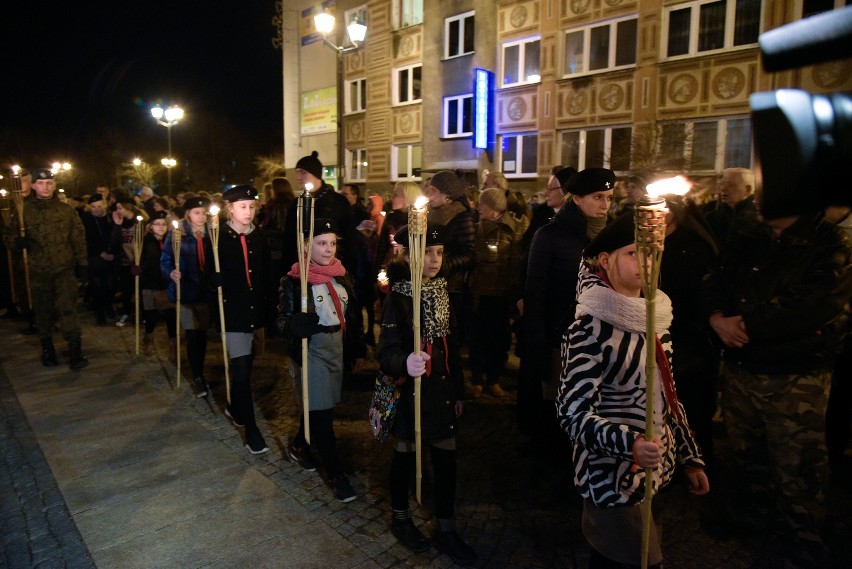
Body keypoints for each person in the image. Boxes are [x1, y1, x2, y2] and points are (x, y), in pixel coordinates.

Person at [702, 199, 852, 566]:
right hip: (742, 367)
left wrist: (745, 324)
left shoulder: (829, 243)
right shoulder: (751, 236)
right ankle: (753, 519)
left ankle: (804, 539)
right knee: (744, 450)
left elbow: (813, 305)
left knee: (798, 463)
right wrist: (717, 317)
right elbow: (715, 279)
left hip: (795, 375)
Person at [557, 214, 709, 568]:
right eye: (632, 253)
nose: (647, 262)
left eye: (653, 253)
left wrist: (689, 456)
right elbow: (572, 414)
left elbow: (668, 397)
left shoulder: (655, 320)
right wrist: (631, 444)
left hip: (654, 475)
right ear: (606, 260)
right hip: (611, 480)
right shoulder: (589, 330)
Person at [377, 224, 477, 566]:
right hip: (409, 392)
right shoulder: (397, 298)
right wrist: (404, 361)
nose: (434, 260)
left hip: (441, 391)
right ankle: (401, 516)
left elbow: (451, 346)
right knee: (404, 454)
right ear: (407, 255)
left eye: (439, 253)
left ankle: (447, 527)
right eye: (426, 252)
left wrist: (459, 389)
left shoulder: (443, 292)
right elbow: (386, 351)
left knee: (446, 457)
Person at [520, 168, 613, 449]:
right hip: (560, 336)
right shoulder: (550, 235)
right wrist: (537, 343)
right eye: (598, 197)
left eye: (609, 198)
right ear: (577, 198)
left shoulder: (612, 236)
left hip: (600, 336)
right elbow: (535, 293)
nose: (605, 205)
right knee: (559, 402)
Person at [277, 218, 366, 502]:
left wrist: (358, 348)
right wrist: (294, 326)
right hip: (311, 349)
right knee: (323, 415)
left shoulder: (342, 275)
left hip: (336, 347)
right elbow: (280, 321)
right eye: (321, 243)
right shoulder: (294, 280)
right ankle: (336, 473)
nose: (328, 250)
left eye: (332, 243)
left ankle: (301, 446)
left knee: (319, 406)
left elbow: (352, 315)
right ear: (306, 246)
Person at [3, 168, 89, 369]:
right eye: (41, 183)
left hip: (64, 269)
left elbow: (78, 238)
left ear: (55, 185)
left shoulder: (66, 210)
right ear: (33, 186)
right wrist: (17, 242)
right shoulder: (23, 210)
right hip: (38, 270)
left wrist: (83, 264)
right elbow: (7, 235)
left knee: (68, 310)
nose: (46, 187)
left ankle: (76, 352)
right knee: (43, 311)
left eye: (49, 183)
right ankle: (48, 349)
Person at [212, 185, 270, 455]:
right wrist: (213, 281)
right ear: (230, 208)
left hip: (254, 312)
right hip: (233, 312)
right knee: (241, 370)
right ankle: (252, 430)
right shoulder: (218, 237)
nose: (248, 212)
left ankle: (236, 406)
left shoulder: (259, 237)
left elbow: (266, 272)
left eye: (252, 206)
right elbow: (208, 274)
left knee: (249, 366)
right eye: (242, 207)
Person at [161, 196, 214, 398]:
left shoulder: (213, 233)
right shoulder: (177, 235)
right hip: (187, 291)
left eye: (204, 212)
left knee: (203, 333)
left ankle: (201, 368)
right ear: (188, 214)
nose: (201, 217)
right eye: (197, 212)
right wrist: (170, 273)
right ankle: (198, 376)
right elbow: (166, 259)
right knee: (193, 334)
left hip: (206, 291)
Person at [468, 188, 517, 398]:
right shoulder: (474, 229)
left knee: (498, 340)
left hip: (501, 295)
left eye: (482, 204)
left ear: (495, 209)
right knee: (477, 337)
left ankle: (494, 379)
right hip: (479, 293)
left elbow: (514, 264)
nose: (478, 207)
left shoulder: (511, 231)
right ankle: (477, 379)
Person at [423, 170, 476, 342]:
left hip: (451, 287)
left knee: (448, 338)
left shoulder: (462, 217)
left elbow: (469, 253)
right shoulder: (428, 214)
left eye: (433, 190)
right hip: (429, 282)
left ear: (447, 195)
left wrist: (444, 266)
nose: (429, 195)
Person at [283, 151, 357, 271]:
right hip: (302, 270)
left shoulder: (338, 202)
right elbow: (289, 240)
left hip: (332, 268)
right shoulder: (297, 203)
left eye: (303, 172)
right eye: (297, 172)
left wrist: (345, 269)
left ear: (315, 174)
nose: (298, 177)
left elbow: (349, 238)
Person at [139, 211, 176, 357]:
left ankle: (173, 344)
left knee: (170, 316)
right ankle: (148, 339)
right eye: (157, 224)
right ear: (151, 226)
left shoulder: (171, 241)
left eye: (163, 224)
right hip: (149, 285)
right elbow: (140, 259)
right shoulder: (145, 242)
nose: (161, 227)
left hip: (167, 285)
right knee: (150, 315)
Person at [80, 194, 116, 325]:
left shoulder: (110, 217)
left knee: (110, 285)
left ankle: (109, 307)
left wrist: (112, 252)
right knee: (98, 285)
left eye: (99, 206)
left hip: (112, 256)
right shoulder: (86, 219)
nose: (97, 209)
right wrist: (100, 253)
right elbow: (86, 239)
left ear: (105, 205)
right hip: (95, 258)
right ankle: (100, 313)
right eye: (93, 207)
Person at [112, 198, 147, 327]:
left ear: (128, 208)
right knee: (126, 291)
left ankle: (142, 314)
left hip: (138, 262)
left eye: (120, 208)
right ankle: (127, 312)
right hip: (124, 262)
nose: (117, 211)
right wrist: (117, 225)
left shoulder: (140, 222)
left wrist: (139, 260)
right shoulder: (120, 222)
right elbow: (115, 242)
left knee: (140, 290)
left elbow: (144, 242)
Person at [703, 167, 759, 249]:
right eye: (721, 185)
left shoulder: (758, 219)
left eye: (731, 185)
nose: (723, 189)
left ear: (747, 189)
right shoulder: (711, 218)